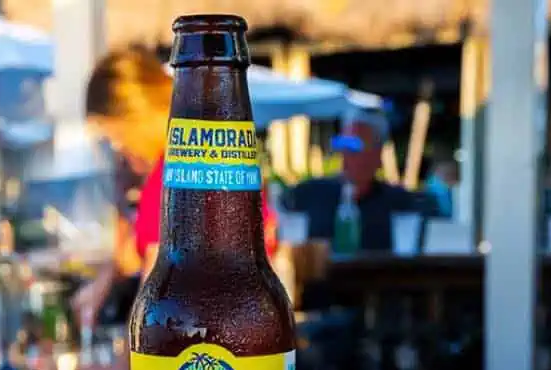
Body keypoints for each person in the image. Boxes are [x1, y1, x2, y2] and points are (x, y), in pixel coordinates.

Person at [75, 44, 278, 333]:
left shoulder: (174, 178)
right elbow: (135, 258)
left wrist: (117, 369)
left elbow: (156, 308)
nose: (119, 148)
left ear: (136, 116)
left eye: (116, 135)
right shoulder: (212, 146)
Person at [284, 116, 427, 253]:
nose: (346, 154)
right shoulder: (315, 191)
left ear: (377, 155)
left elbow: (430, 214)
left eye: (354, 146)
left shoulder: (394, 199)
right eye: (343, 145)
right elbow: (279, 208)